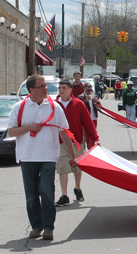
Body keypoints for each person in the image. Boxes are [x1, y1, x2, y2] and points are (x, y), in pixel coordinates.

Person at [7, 74, 77, 240]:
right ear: (31, 90)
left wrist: (73, 156)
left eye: (46, 86)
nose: (46, 89)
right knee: (31, 195)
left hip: (48, 156)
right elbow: (11, 131)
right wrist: (29, 127)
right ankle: (36, 226)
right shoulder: (19, 107)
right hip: (27, 157)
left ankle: (48, 227)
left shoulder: (54, 107)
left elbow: (65, 133)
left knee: (46, 191)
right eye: (42, 86)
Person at [55, 79, 100, 207]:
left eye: (64, 87)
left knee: (77, 167)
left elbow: (87, 123)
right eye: (60, 88)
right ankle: (64, 195)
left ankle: (77, 188)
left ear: (70, 90)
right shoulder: (54, 105)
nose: (61, 90)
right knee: (62, 167)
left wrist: (95, 138)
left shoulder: (78, 104)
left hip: (77, 141)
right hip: (60, 142)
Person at [78, 83, 100, 149]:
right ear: (84, 89)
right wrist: (86, 101)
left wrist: (97, 102)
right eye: (88, 90)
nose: (89, 92)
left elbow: (100, 107)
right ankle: (89, 149)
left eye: (91, 90)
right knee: (87, 136)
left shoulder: (94, 96)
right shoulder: (81, 97)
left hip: (93, 119)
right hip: (86, 120)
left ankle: (91, 150)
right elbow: (79, 107)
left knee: (92, 136)